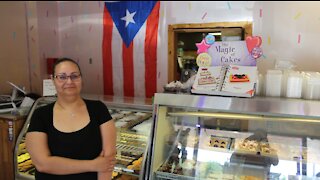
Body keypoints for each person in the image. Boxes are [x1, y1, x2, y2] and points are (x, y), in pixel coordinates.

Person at [26, 58, 117, 180]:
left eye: (74, 76)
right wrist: (93, 165)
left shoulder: (98, 109)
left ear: (81, 79)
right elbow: (42, 164)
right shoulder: (40, 115)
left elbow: (108, 159)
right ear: (53, 80)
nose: (69, 81)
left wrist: (100, 167)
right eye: (62, 77)